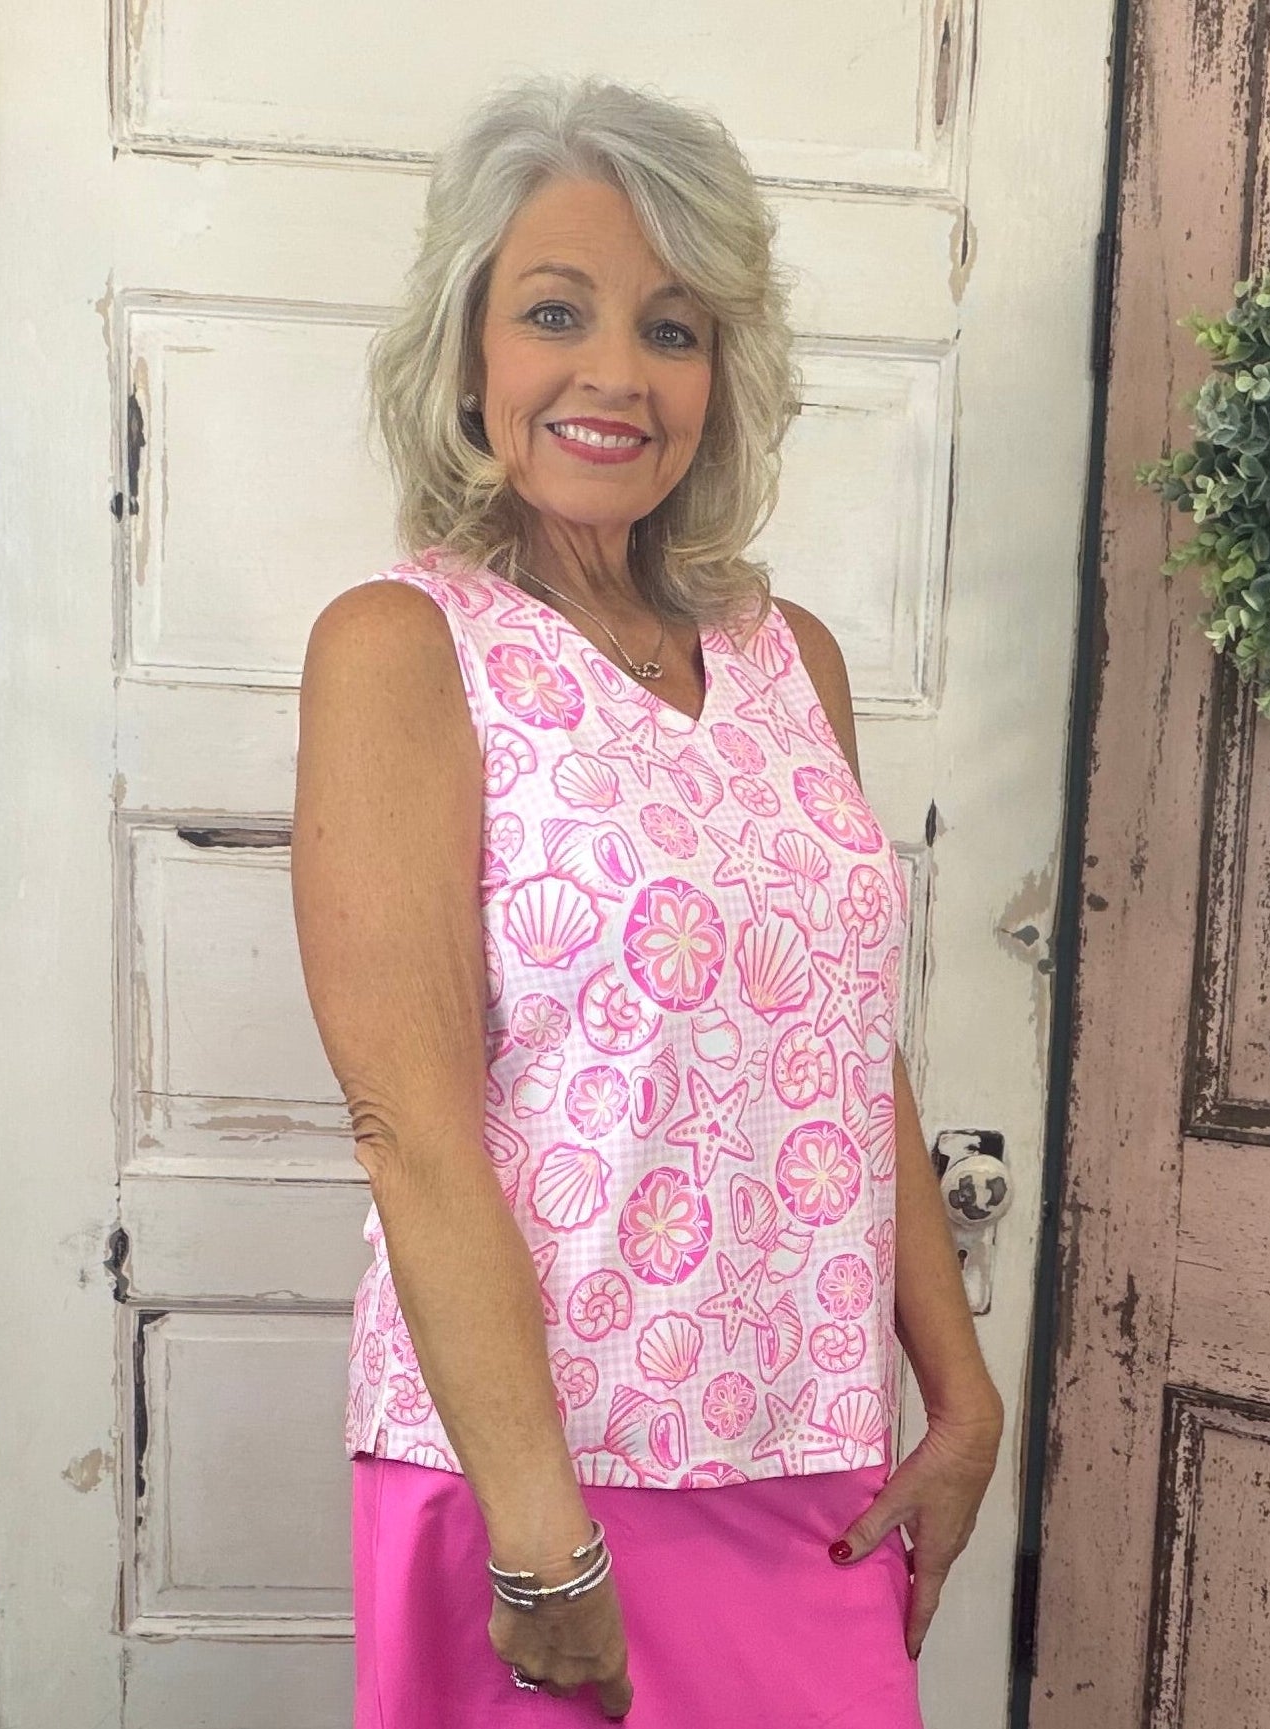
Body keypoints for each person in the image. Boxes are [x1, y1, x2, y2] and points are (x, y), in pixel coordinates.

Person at [291, 72, 1002, 1729]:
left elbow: (843, 1048)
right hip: (542, 1475)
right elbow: (410, 1123)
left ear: (719, 376)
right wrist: (544, 1543)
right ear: (468, 352)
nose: (614, 370)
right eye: (556, 311)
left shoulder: (786, 657)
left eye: (670, 328)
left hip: (807, 1453)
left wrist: (959, 1395)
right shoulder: (403, 648)